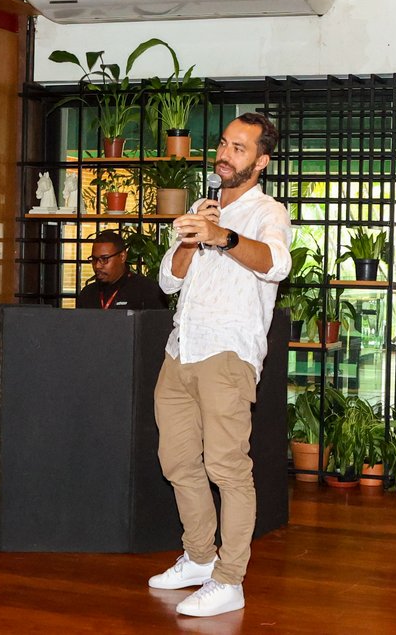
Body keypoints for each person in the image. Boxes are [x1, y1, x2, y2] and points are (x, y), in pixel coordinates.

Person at [146, 112, 292, 618]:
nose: (225, 155)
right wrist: (192, 237)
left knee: (227, 468)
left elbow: (276, 264)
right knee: (177, 462)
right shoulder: (202, 208)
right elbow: (168, 281)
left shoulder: (268, 211)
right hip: (181, 349)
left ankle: (230, 581)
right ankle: (199, 558)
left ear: (261, 161)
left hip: (227, 353)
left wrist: (221, 235)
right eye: (224, 144)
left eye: (239, 148)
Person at [75, 230, 167, 310]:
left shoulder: (147, 290)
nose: (97, 266)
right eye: (94, 259)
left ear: (122, 257)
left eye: (104, 259)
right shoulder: (87, 294)